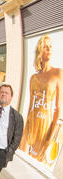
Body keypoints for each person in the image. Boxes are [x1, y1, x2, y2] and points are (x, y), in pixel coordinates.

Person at [19, 35, 62, 163]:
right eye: (45, 46)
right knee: (23, 160)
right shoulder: (33, 78)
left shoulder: (58, 73)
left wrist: (50, 139)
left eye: (50, 46)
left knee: (37, 164)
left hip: (45, 128)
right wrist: (25, 130)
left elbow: (58, 108)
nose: (49, 49)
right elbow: (30, 107)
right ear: (39, 51)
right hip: (31, 125)